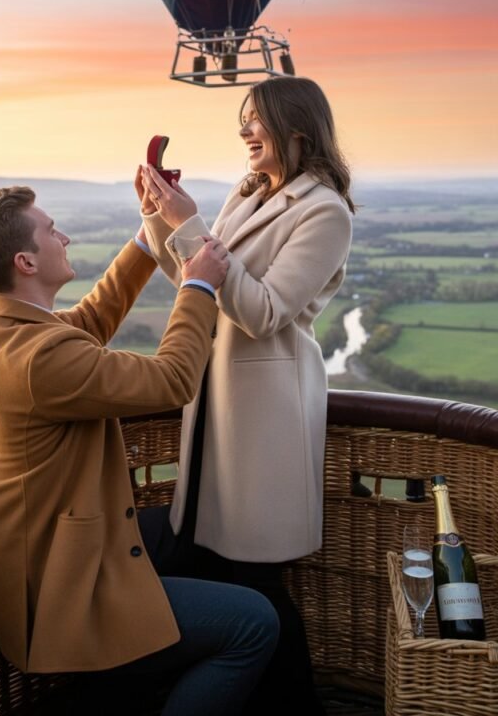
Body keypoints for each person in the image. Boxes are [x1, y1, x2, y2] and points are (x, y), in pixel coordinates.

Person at [0, 186, 279, 716]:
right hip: (63, 593)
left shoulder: (0, 328)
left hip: (53, 555)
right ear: (25, 260)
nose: (65, 236)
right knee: (254, 624)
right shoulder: (38, 359)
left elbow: (90, 322)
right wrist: (197, 285)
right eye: (52, 229)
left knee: (190, 532)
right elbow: (173, 380)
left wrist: (149, 235)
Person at [136, 75, 355, 714]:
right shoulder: (249, 189)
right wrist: (159, 212)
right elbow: (193, 275)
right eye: (242, 119)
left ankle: (297, 706)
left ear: (295, 127)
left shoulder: (325, 212)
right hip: (211, 406)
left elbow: (263, 311)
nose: (244, 132)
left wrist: (190, 223)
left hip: (264, 417)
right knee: (213, 566)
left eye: (255, 119)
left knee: (257, 581)